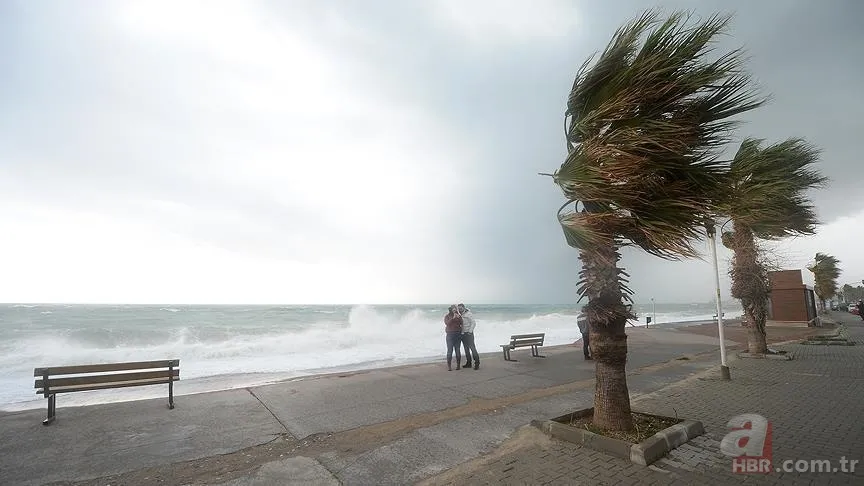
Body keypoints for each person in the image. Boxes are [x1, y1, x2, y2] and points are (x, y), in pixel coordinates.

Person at [458, 303, 479, 370]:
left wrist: (470, 332)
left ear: (464, 307)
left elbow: (473, 323)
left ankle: (477, 363)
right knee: (466, 349)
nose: (460, 309)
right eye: (459, 308)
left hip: (469, 334)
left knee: (472, 348)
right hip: (463, 334)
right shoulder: (460, 314)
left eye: (461, 308)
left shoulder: (468, 314)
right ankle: (468, 363)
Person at [444, 305, 463, 370]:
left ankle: (458, 366)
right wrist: (453, 318)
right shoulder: (447, 316)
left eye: (455, 309)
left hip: (457, 334)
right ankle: (449, 367)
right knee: (450, 350)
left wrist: (459, 317)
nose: (455, 310)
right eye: (454, 309)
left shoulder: (458, 315)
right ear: (451, 309)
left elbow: (462, 323)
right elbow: (447, 323)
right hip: (450, 334)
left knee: (457, 350)